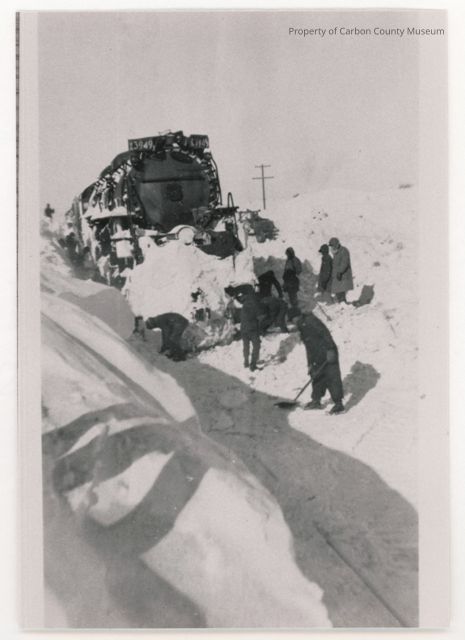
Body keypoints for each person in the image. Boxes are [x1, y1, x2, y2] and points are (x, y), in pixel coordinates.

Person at [296, 310, 344, 414]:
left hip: (327, 352)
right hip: (316, 355)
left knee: (332, 377)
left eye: (293, 319)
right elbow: (308, 347)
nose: (293, 322)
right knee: (316, 375)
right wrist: (310, 363)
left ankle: (338, 404)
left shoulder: (312, 321)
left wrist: (330, 350)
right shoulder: (301, 326)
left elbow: (326, 334)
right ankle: (316, 401)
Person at [328, 237, 353, 303]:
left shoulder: (344, 251)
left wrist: (340, 272)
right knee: (338, 291)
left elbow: (344, 263)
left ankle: (343, 303)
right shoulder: (336, 252)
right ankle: (342, 304)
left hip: (343, 275)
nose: (331, 248)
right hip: (337, 275)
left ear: (336, 245)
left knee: (341, 291)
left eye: (332, 246)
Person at [282, 247, 302, 314]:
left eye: (288, 254)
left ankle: (296, 310)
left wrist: (292, 273)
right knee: (290, 295)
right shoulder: (288, 260)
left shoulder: (295, 260)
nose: (287, 255)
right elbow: (286, 269)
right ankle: (294, 308)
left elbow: (299, 270)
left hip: (292, 280)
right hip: (288, 280)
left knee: (293, 295)